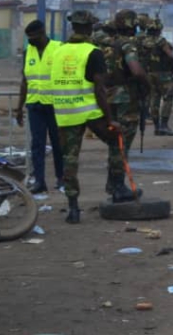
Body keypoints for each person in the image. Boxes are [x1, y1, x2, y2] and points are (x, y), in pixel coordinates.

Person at [51, 11, 131, 224]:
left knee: (70, 159)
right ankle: (116, 188)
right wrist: (110, 118)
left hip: (66, 112)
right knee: (116, 140)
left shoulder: (58, 51)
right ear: (88, 29)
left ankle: (73, 208)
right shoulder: (92, 52)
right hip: (90, 112)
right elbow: (100, 89)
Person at [14, 20, 63, 194]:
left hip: (55, 105)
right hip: (35, 105)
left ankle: (61, 179)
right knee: (37, 145)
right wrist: (19, 108)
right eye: (29, 37)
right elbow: (25, 81)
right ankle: (40, 181)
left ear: (42, 33)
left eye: (33, 36)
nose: (30, 40)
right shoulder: (29, 52)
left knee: (59, 144)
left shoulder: (59, 48)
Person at [107, 10, 150, 166]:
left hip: (110, 96)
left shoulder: (110, 44)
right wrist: (147, 86)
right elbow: (136, 71)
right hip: (126, 97)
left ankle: (114, 180)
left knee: (114, 140)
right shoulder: (128, 45)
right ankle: (118, 183)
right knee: (123, 142)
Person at [144, 18, 173, 137]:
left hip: (149, 74)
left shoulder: (143, 41)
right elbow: (170, 56)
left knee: (154, 99)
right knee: (168, 99)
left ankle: (157, 127)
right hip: (163, 74)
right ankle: (164, 125)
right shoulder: (161, 41)